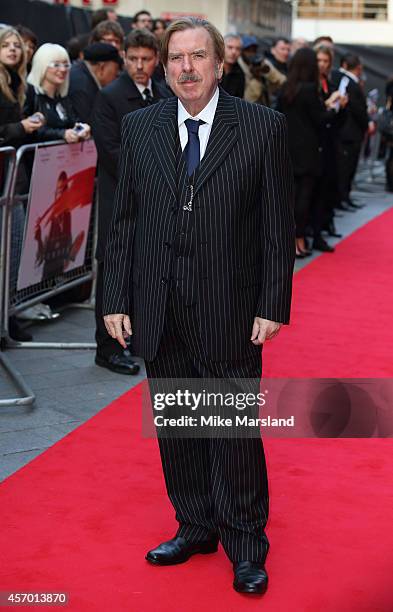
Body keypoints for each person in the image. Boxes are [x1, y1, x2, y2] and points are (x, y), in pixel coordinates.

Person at [102, 17, 295, 594]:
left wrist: (273, 303)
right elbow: (124, 219)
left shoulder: (262, 126)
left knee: (230, 428)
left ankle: (245, 543)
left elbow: (275, 226)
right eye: (176, 58)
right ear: (165, 68)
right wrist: (114, 295)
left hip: (230, 306)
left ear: (218, 64)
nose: (186, 68)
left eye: (197, 57)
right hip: (158, 302)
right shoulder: (140, 129)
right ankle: (195, 525)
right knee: (180, 423)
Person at [92, 29, 171, 375]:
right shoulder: (110, 97)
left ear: (157, 60)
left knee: (148, 270)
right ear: (123, 58)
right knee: (114, 271)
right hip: (120, 202)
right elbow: (113, 154)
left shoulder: (165, 93)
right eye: (133, 59)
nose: (139, 66)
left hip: (158, 205)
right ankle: (107, 348)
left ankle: (138, 337)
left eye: (146, 59)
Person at [277, 48, 346, 256]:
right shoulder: (308, 89)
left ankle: (289, 240)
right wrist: (335, 106)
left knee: (289, 198)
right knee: (303, 199)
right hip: (308, 152)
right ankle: (297, 240)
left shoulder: (286, 88)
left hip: (287, 149)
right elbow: (320, 119)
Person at [0, 26, 44, 342]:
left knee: (13, 252)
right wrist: (21, 127)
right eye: (6, 45)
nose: (14, 49)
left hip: (13, 181)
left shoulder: (18, 84)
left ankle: (7, 319)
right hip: (3, 180)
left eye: (17, 45)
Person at [25, 44, 91, 144]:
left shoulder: (63, 97)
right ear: (42, 66)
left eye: (66, 65)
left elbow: (72, 122)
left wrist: (81, 129)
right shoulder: (31, 94)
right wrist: (63, 134)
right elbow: (32, 130)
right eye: (56, 65)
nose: (63, 69)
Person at [331, 54, 369, 210]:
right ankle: (341, 198)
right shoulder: (347, 81)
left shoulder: (342, 79)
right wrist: (366, 123)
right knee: (345, 168)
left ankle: (343, 197)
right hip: (348, 132)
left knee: (347, 168)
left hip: (348, 132)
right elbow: (356, 109)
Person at [69, 42, 122, 124]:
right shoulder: (82, 86)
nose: (116, 76)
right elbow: (90, 123)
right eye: (116, 70)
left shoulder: (81, 72)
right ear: (102, 67)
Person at [238, 35, 286, 107]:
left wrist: (269, 72)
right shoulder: (238, 66)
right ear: (242, 51)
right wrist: (256, 78)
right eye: (248, 50)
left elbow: (282, 81)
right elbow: (247, 99)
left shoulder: (262, 62)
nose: (251, 53)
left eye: (254, 50)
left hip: (266, 105)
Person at [220, 33, 245, 98]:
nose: (234, 52)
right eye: (230, 47)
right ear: (221, 48)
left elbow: (239, 100)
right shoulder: (211, 67)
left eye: (238, 49)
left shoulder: (240, 73)